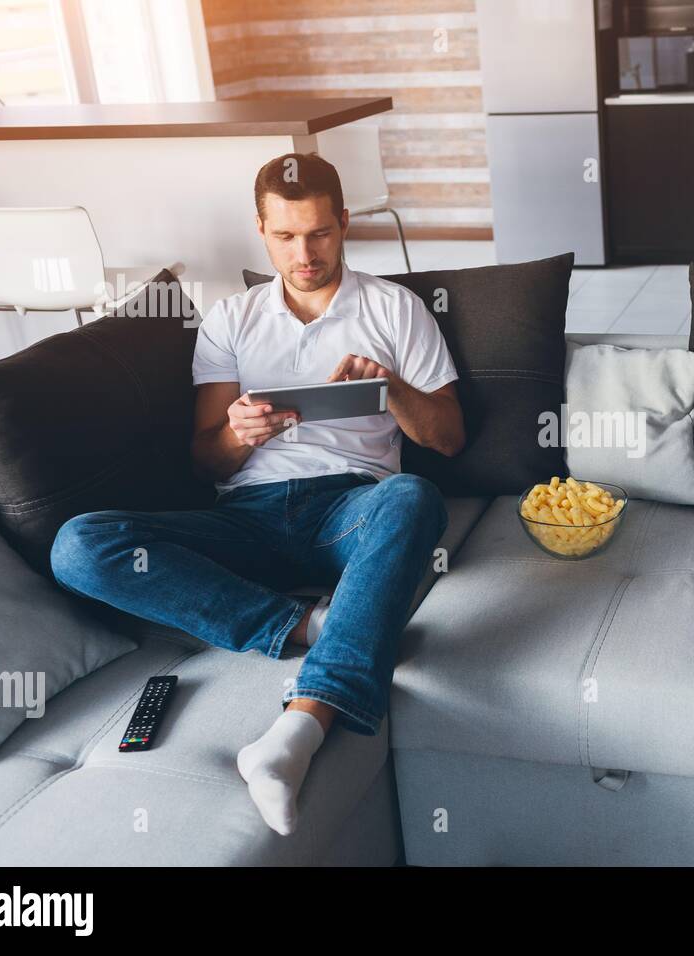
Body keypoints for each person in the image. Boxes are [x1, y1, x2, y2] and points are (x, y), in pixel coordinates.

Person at [50, 152, 465, 835]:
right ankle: (308, 627)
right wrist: (239, 435)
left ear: (344, 223)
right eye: (285, 236)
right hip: (247, 519)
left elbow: (448, 437)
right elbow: (207, 460)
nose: (304, 254)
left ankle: (297, 731)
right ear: (262, 230)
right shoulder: (230, 321)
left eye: (320, 234)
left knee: (414, 497)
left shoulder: (396, 308)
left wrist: (389, 388)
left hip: (352, 510)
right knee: (79, 545)